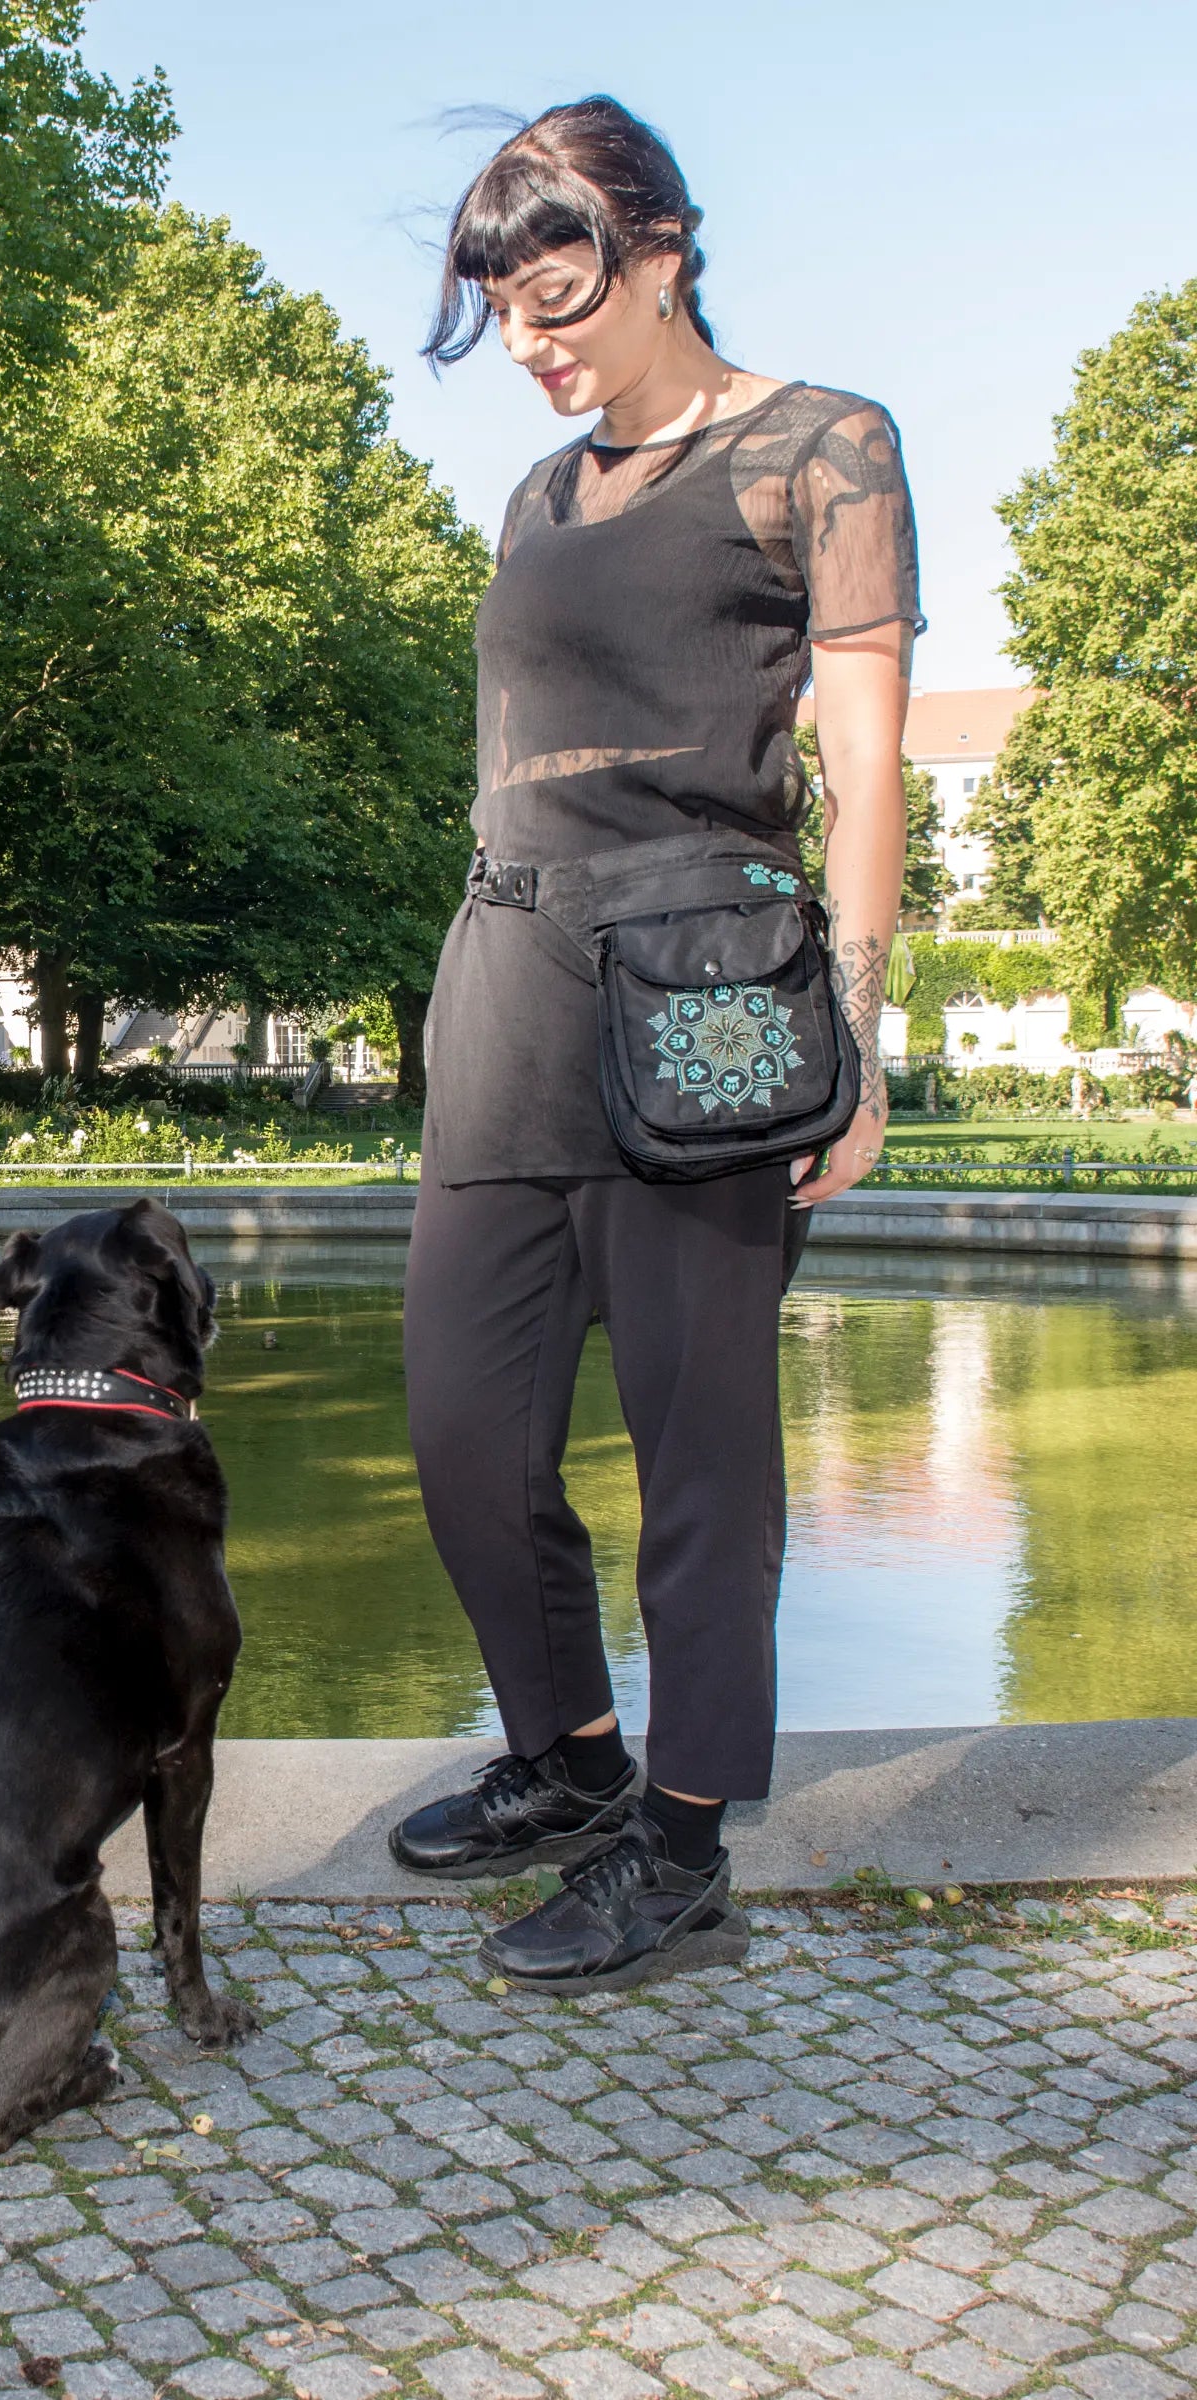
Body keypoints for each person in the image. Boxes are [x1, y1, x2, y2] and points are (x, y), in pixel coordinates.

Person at [389, 97, 921, 1989]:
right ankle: (568, 1761)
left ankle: (682, 1849)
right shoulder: (537, 496)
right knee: (462, 1421)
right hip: (509, 980)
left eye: (561, 299)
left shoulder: (820, 447)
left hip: (707, 992)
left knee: (700, 1459)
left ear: (661, 250)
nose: (535, 348)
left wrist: (856, 1034)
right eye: (508, 319)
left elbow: (864, 772)